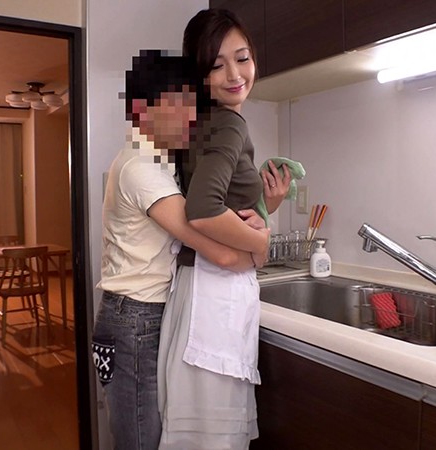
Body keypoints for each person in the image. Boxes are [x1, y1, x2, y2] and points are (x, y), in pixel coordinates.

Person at [92, 50, 264, 450]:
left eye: (192, 104)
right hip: (134, 317)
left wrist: (259, 211)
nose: (190, 116)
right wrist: (261, 248)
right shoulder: (142, 167)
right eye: (178, 105)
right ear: (141, 110)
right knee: (141, 441)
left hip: (139, 313)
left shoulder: (159, 160)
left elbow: (221, 223)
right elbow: (216, 249)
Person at [157, 9, 291, 449]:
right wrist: (261, 243)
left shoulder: (203, 123)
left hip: (199, 288)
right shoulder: (229, 123)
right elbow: (202, 209)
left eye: (242, 58)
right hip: (213, 293)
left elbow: (221, 206)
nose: (235, 74)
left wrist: (266, 206)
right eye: (217, 65)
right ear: (200, 75)